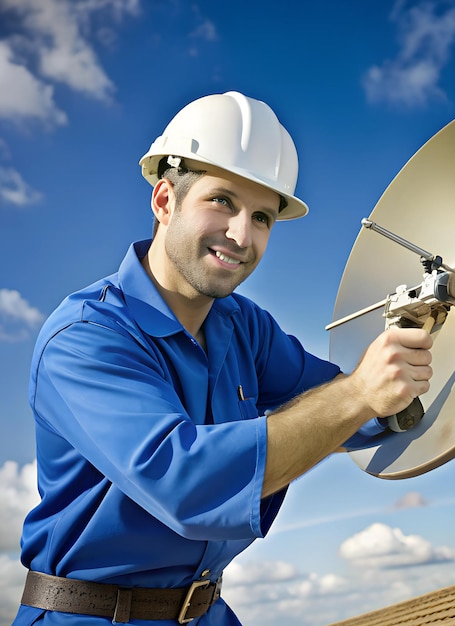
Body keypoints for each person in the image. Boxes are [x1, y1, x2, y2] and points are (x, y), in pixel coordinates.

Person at [14, 91, 432, 625]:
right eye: (222, 202)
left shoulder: (243, 326)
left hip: (207, 612)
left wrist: (420, 360)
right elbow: (185, 482)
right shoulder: (85, 338)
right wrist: (357, 395)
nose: (241, 235)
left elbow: (350, 400)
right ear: (165, 202)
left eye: (262, 217)